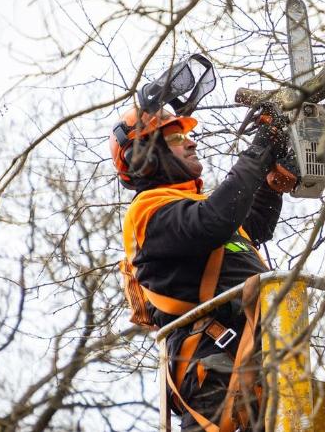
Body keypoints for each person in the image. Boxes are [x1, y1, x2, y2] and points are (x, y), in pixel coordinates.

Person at [111, 105, 288, 432]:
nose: (191, 143)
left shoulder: (197, 208)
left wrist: (272, 179)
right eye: (177, 137)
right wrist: (260, 148)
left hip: (253, 356)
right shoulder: (149, 212)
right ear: (146, 157)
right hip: (210, 358)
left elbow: (253, 225)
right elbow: (216, 221)